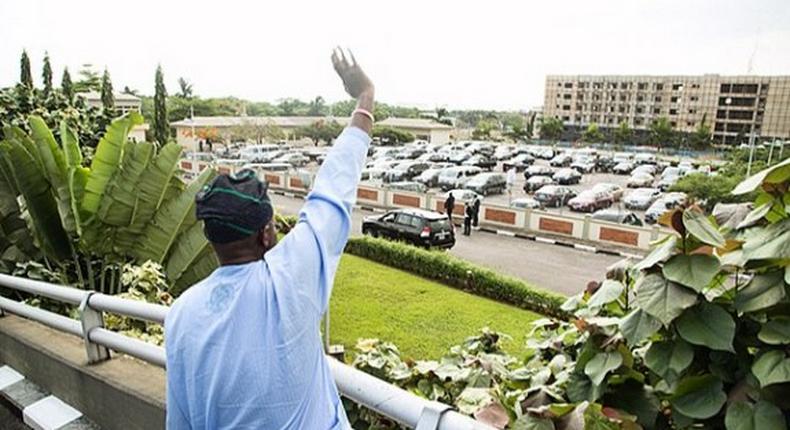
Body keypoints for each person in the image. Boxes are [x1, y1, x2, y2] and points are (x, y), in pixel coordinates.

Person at [164, 48, 375, 430]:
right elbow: (334, 188)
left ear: (211, 238)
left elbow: (179, 421)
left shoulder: (181, 314)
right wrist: (365, 96)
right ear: (266, 235)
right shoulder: (290, 281)